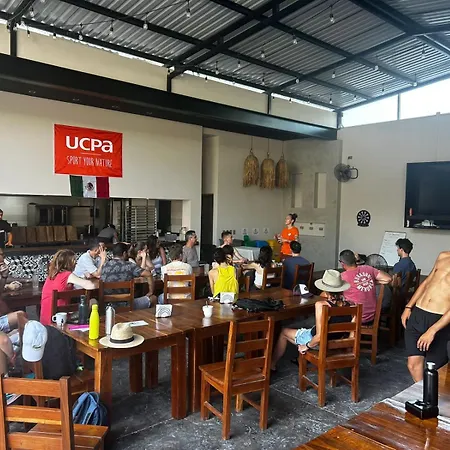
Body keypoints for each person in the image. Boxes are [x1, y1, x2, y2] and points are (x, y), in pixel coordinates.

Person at [271, 270, 350, 371]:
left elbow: (319, 337)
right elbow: (351, 334)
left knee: (284, 332)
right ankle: (298, 359)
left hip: (319, 343)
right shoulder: (350, 306)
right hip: (337, 341)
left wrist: (306, 346)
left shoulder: (322, 305)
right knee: (307, 328)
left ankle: (272, 365)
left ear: (325, 290)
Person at [401, 251, 450, 381]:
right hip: (418, 313)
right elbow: (427, 282)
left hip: (439, 319)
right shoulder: (443, 256)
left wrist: (432, 330)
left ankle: (431, 392)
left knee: (435, 369)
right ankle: (425, 392)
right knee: (413, 365)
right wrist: (408, 307)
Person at [40, 249, 96, 326]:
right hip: (59, 320)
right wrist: (100, 283)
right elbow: (90, 285)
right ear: (68, 263)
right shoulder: (67, 275)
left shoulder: (51, 275)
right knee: (93, 302)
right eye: (74, 261)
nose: (76, 263)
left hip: (45, 321)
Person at [339, 249, 391, 324]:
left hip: (355, 319)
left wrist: (368, 281)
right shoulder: (368, 269)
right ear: (355, 259)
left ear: (342, 263)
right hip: (372, 316)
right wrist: (369, 281)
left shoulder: (342, 277)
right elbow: (388, 279)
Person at [101, 242, 154, 309]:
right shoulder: (129, 265)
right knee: (153, 298)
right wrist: (150, 292)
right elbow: (149, 274)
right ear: (124, 253)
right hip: (127, 305)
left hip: (108, 307)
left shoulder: (104, 266)